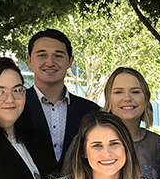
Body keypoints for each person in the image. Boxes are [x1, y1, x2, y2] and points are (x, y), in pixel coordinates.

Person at [18, 28, 100, 169]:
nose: (50, 62)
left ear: (70, 61)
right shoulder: (15, 107)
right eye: (42, 55)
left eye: (58, 56)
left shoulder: (92, 111)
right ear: (29, 60)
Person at [102, 67, 160, 179]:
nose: (127, 98)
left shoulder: (157, 143)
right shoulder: (90, 141)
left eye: (135, 92)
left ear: (146, 98)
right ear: (109, 99)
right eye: (118, 92)